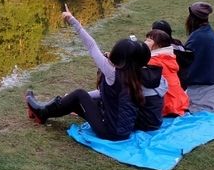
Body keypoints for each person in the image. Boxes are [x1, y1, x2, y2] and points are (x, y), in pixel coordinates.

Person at [25, 9, 152, 141]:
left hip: (110, 131)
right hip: (123, 130)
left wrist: (73, 21)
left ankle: (42, 111)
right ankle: (43, 113)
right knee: (75, 100)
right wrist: (72, 98)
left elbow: (91, 46)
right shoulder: (134, 73)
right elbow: (105, 94)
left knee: (79, 93)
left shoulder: (112, 72)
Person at [144, 29, 189, 117]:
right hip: (180, 102)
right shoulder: (169, 57)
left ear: (159, 45)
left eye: (149, 40)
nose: (145, 42)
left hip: (168, 106)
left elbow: (136, 64)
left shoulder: (154, 61)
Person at [181, 1, 214, 88]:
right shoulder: (209, 31)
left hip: (204, 78)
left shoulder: (198, 37)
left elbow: (186, 62)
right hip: (212, 74)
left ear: (193, 18)